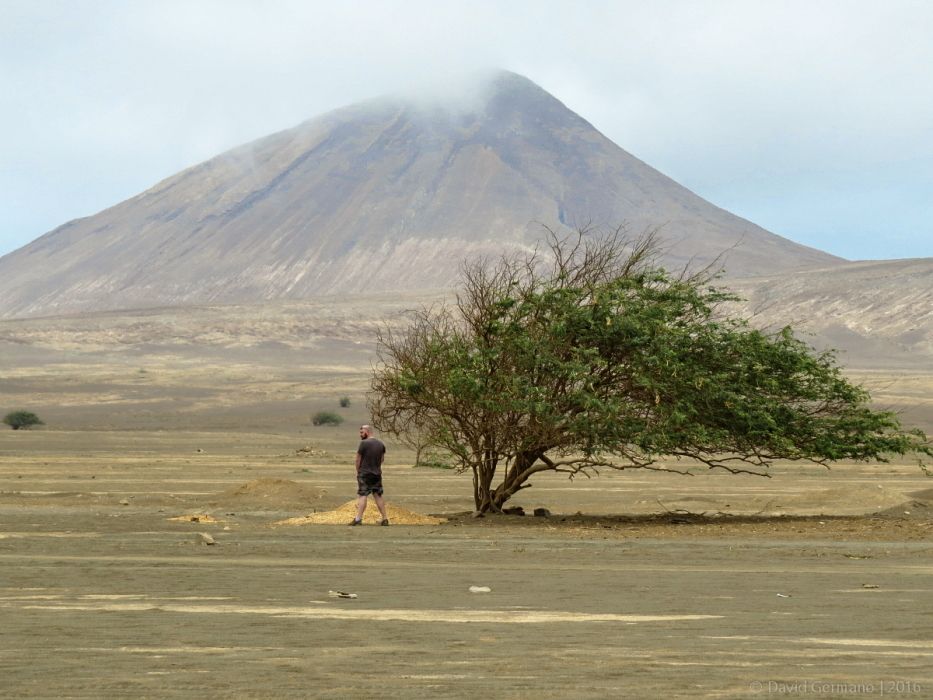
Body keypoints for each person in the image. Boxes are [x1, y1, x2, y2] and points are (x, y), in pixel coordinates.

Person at [349, 424, 388, 526]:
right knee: (378, 495)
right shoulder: (381, 444)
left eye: (362, 432)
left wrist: (358, 471)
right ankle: (385, 518)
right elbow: (382, 459)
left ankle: (358, 519)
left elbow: (358, 459)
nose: (361, 435)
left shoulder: (364, 444)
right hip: (377, 473)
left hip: (365, 473)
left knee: (363, 495)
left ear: (367, 431)